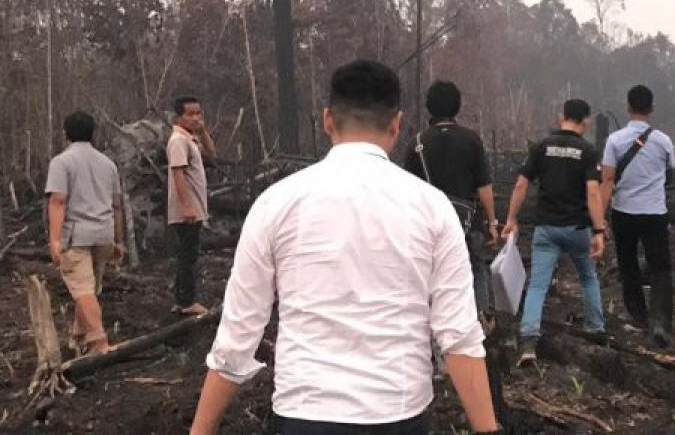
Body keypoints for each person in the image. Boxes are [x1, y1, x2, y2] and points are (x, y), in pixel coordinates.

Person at [190, 60, 499, 435]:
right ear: (397, 126)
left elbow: (237, 336)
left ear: (327, 121)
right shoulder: (432, 207)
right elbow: (459, 336)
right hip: (399, 415)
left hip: (304, 415)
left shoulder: (278, 202)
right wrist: (488, 428)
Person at [503, 99, 607, 365]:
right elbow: (593, 192)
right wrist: (599, 230)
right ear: (585, 120)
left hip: (546, 229)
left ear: (561, 116)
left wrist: (512, 218)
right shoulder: (587, 151)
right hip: (577, 228)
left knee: (537, 285)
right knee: (588, 278)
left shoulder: (541, 147)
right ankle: (596, 330)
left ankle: (528, 342)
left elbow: (521, 185)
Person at [402, 80, 498, 322]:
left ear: (429, 107)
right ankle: (480, 322)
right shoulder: (472, 140)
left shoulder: (416, 145)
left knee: (430, 273)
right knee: (475, 267)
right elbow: (484, 188)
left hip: (428, 225)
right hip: (467, 222)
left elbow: (408, 193)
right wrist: (493, 222)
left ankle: (432, 323)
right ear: (457, 106)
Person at [45, 111, 126, 356]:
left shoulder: (61, 162)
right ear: (93, 133)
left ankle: (98, 341)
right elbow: (117, 205)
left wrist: (55, 239)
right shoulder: (107, 164)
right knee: (89, 289)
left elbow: (58, 201)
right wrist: (119, 240)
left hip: (76, 235)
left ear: (65, 134)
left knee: (83, 291)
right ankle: (78, 337)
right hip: (103, 233)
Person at [601, 84, 675, 347]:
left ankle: (639, 316)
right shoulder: (664, 141)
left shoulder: (614, 141)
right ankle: (661, 322)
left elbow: (607, 179)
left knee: (628, 265)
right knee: (660, 267)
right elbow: (669, 174)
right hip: (655, 212)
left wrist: (600, 218)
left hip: (623, 212)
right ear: (651, 108)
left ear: (628, 107)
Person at [167, 95, 215, 316]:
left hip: (194, 207)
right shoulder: (178, 141)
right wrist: (187, 207)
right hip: (187, 210)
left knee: (188, 254)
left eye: (199, 113)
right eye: (190, 114)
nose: (196, 118)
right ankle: (186, 302)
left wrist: (203, 131)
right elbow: (178, 174)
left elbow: (212, 154)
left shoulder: (190, 139)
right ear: (178, 117)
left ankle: (182, 299)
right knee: (188, 256)